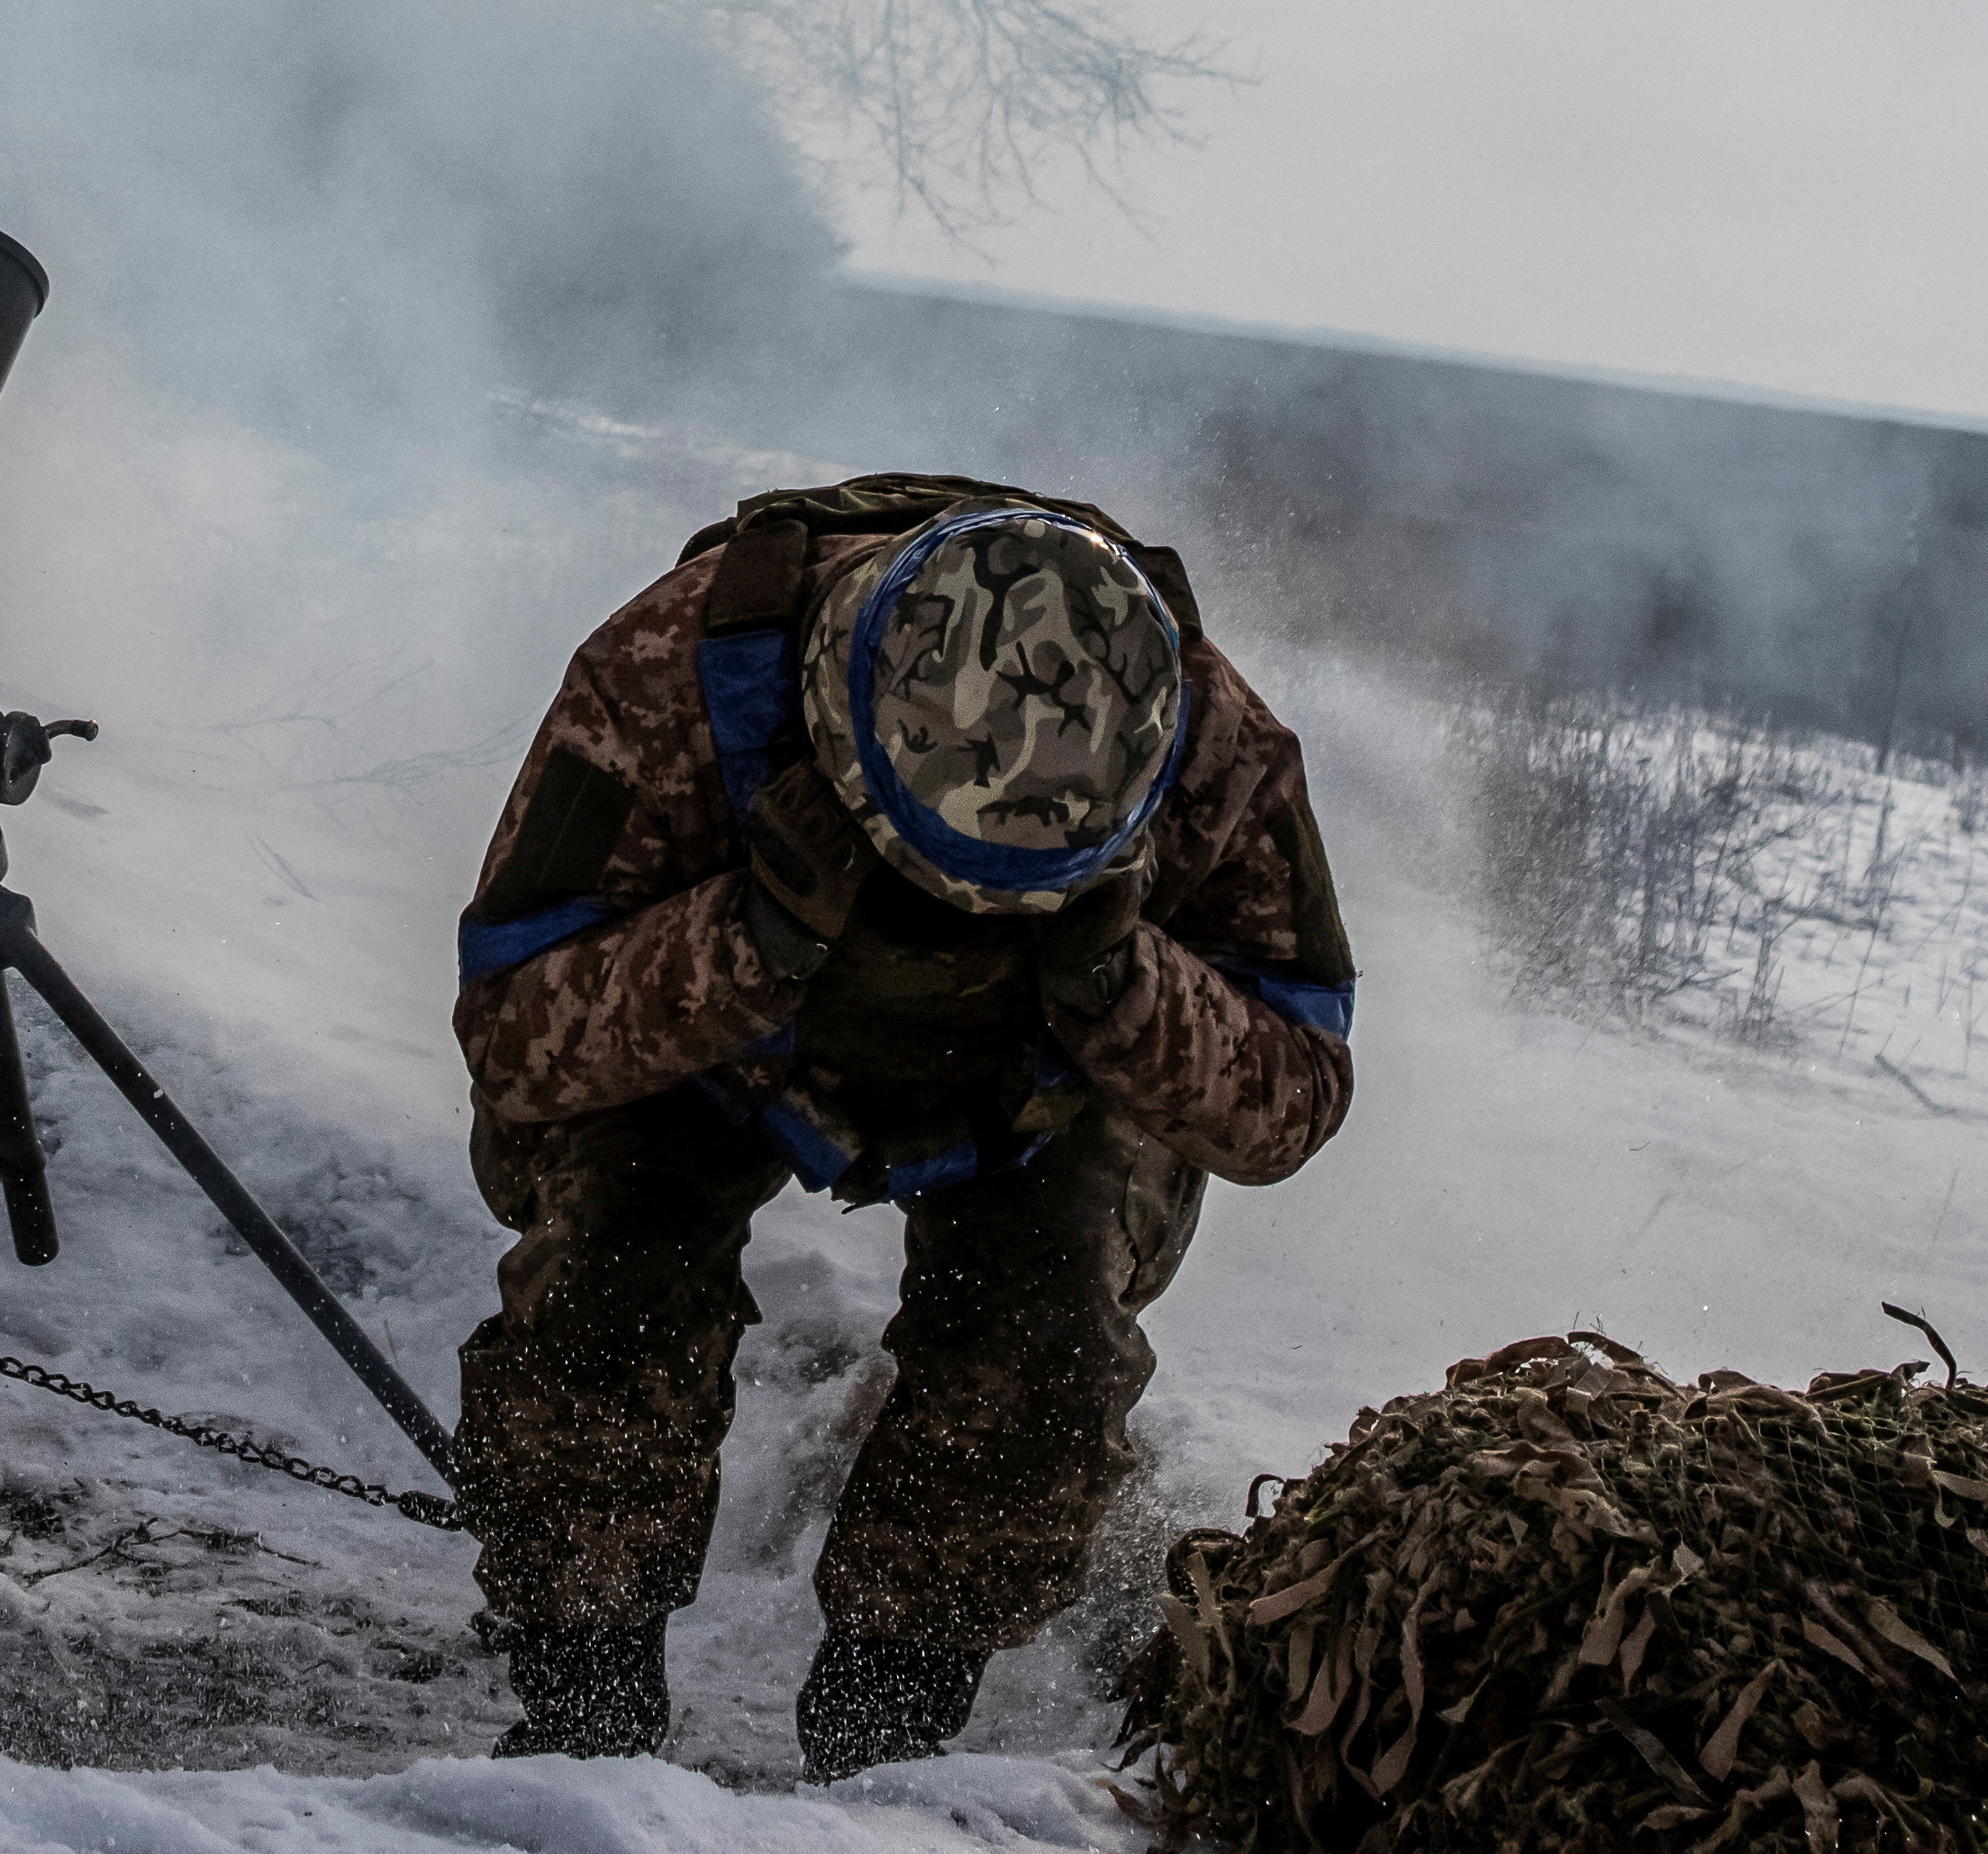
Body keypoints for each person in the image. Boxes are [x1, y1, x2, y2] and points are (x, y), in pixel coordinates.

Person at [448, 473, 1359, 1780]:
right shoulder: (672, 675)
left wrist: (1121, 982)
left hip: (1038, 1077)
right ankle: (582, 1710)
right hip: (715, 1035)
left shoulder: (1210, 743)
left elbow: (1292, 1100)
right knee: (606, 1285)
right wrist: (749, 936)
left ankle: (887, 1732)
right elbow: (514, 1031)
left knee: (1047, 1350)